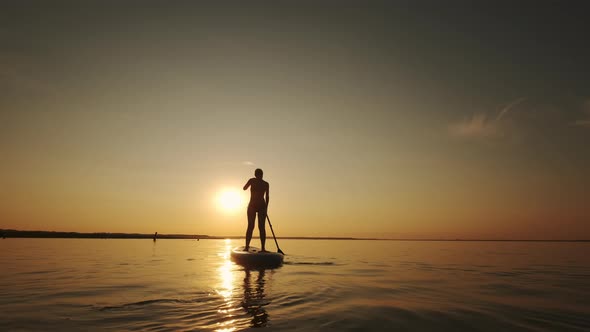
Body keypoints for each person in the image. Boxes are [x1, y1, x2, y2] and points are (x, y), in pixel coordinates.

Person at [243, 168, 269, 251]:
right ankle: (250, 247)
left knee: (255, 227)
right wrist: (266, 208)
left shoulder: (253, 181)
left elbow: (244, 188)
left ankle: (259, 248)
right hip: (258, 206)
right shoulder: (265, 183)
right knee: (255, 226)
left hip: (258, 206)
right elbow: (267, 197)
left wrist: (265, 208)